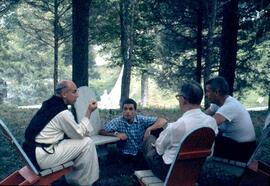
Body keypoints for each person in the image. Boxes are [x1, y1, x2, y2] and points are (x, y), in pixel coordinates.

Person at [23, 80, 99, 186]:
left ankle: (77, 180)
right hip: (43, 157)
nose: (77, 95)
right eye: (74, 92)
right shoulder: (62, 113)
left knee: (80, 142)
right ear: (64, 94)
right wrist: (89, 112)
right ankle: (84, 182)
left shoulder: (49, 104)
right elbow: (79, 134)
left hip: (32, 152)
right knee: (87, 142)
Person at [142, 81, 218, 181]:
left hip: (170, 173)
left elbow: (159, 150)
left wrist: (154, 140)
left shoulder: (177, 126)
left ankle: (140, 168)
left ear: (183, 99)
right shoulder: (211, 122)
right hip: (195, 170)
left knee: (150, 139)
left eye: (179, 97)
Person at [99, 98, 167, 164]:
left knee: (158, 129)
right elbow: (102, 131)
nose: (128, 112)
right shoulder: (117, 121)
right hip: (126, 154)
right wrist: (116, 134)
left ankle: (161, 155)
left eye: (131, 109)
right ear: (122, 111)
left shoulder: (141, 119)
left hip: (140, 151)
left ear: (135, 111)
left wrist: (149, 129)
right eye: (125, 109)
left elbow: (163, 120)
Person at [205, 76, 256, 162]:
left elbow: (208, 125)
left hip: (244, 149)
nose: (206, 95)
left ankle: (194, 165)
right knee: (211, 135)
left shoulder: (229, 106)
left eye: (208, 91)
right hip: (235, 143)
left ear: (217, 92)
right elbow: (203, 116)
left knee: (205, 137)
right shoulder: (218, 103)